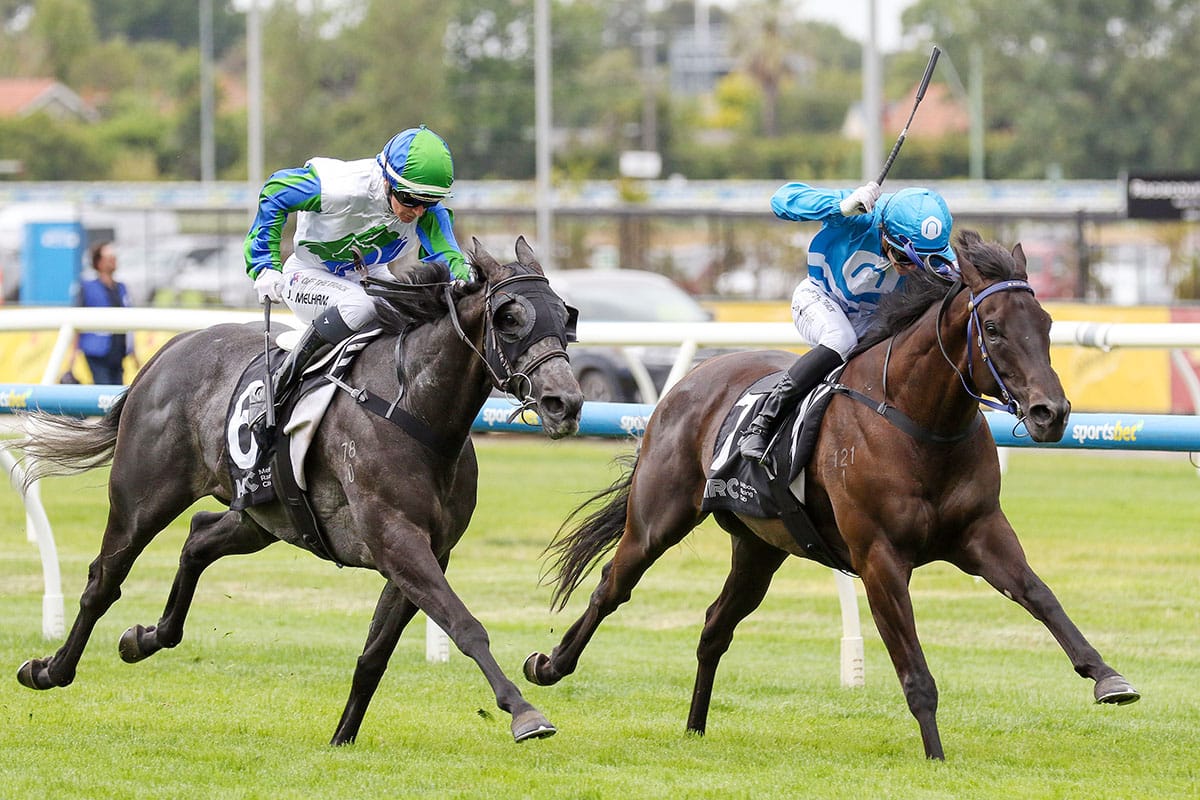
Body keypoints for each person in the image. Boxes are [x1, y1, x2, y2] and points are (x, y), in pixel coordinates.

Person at [245, 125, 469, 424]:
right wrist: (264, 265)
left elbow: (450, 260)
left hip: (369, 276)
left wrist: (469, 286)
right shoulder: (340, 188)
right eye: (410, 199)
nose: (418, 211)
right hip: (307, 274)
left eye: (428, 202)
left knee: (415, 316)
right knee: (362, 305)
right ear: (388, 180)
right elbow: (276, 191)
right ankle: (277, 386)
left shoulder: (428, 213)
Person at [738, 182, 958, 462]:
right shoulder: (860, 214)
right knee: (841, 339)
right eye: (904, 257)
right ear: (884, 232)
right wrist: (839, 208)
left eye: (924, 261)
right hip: (820, 298)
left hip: (875, 320)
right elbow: (782, 200)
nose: (912, 268)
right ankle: (762, 422)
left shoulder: (940, 256)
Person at [68, 241, 141, 385]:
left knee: (117, 390)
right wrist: (73, 353)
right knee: (103, 387)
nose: (114, 261)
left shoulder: (121, 288)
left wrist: (133, 352)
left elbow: (128, 320)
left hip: (118, 349)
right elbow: (77, 319)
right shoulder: (87, 287)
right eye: (109, 258)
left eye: (114, 257)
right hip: (97, 350)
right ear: (99, 262)